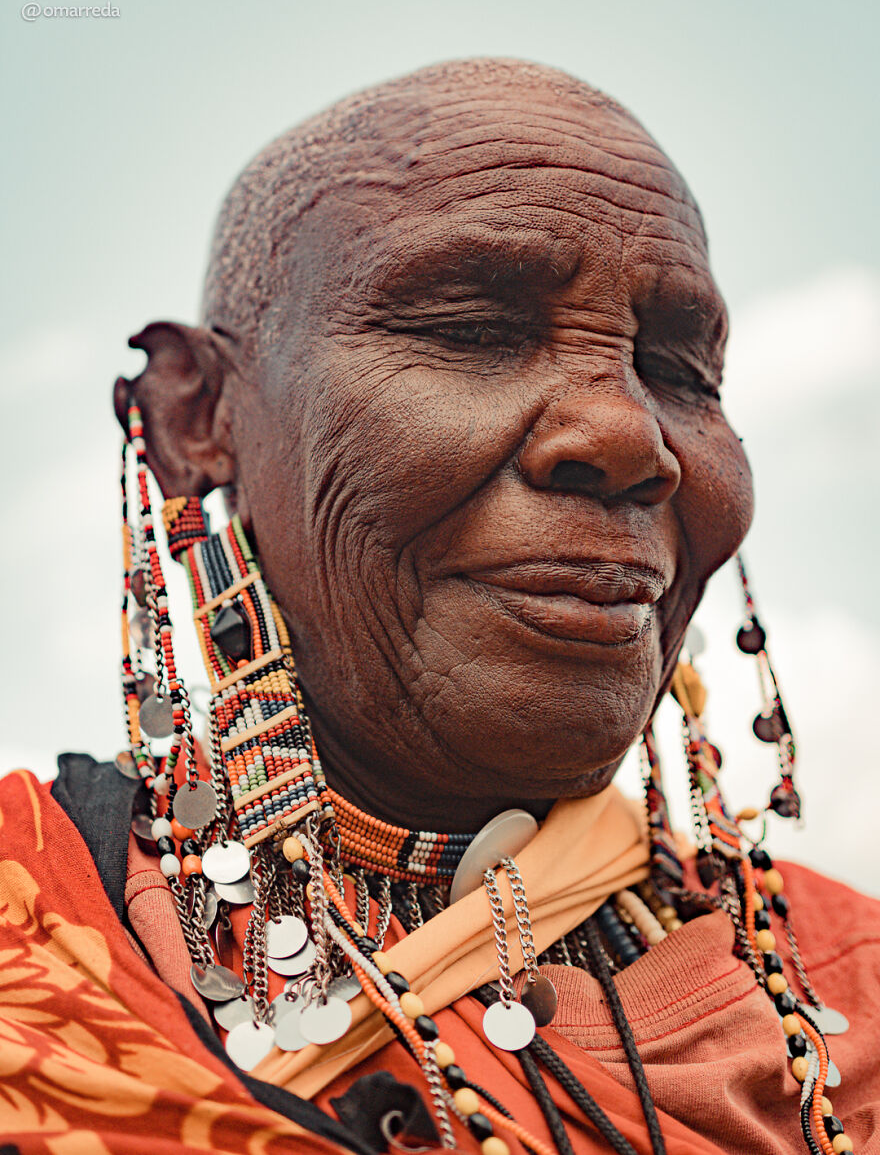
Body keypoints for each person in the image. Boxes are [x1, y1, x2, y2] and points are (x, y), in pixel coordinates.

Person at [0, 58, 877, 1155]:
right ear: (198, 419)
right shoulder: (30, 933)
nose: (624, 436)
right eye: (471, 329)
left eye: (675, 369)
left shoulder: (853, 986)